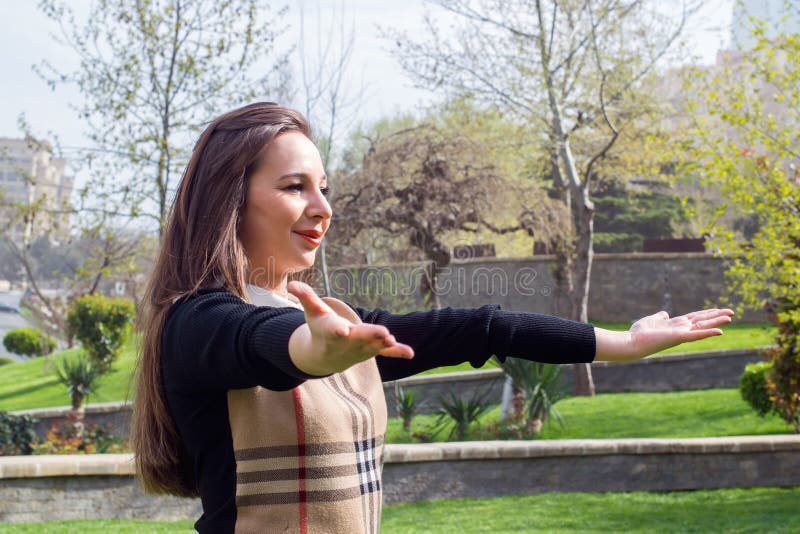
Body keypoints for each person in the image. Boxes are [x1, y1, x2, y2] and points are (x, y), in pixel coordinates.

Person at [131, 102, 733, 534]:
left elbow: (484, 326)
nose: (323, 208)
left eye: (324, 186)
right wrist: (313, 353)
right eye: (295, 187)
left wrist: (622, 342)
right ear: (228, 199)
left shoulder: (340, 322)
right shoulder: (198, 323)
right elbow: (258, 341)